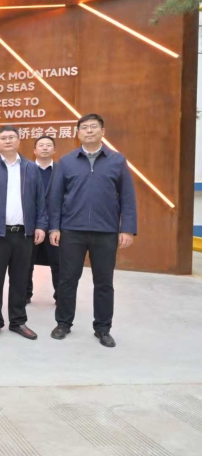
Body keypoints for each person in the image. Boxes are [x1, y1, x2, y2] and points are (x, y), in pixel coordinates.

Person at [48, 114, 137, 348]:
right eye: (84, 128)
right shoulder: (66, 161)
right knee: (67, 279)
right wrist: (54, 227)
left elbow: (127, 197)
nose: (89, 131)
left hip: (105, 231)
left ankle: (103, 328)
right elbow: (55, 198)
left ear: (102, 131)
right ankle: (63, 323)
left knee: (104, 282)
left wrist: (127, 229)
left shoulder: (117, 160)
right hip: (71, 231)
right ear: (78, 133)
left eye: (93, 127)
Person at [0, 126, 47, 341]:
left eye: (11, 137)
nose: (7, 141)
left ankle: (18, 321)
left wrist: (40, 225)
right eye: (3, 138)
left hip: (23, 235)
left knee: (20, 280)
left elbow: (40, 200)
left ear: (19, 140)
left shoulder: (31, 168)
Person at [27, 135, 60, 304]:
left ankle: (61, 297)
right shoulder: (26, 170)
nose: (45, 148)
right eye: (41, 145)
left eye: (48, 145)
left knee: (59, 264)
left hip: (56, 225)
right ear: (34, 150)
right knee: (26, 263)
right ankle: (25, 295)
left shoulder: (62, 171)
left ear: (54, 150)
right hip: (31, 225)